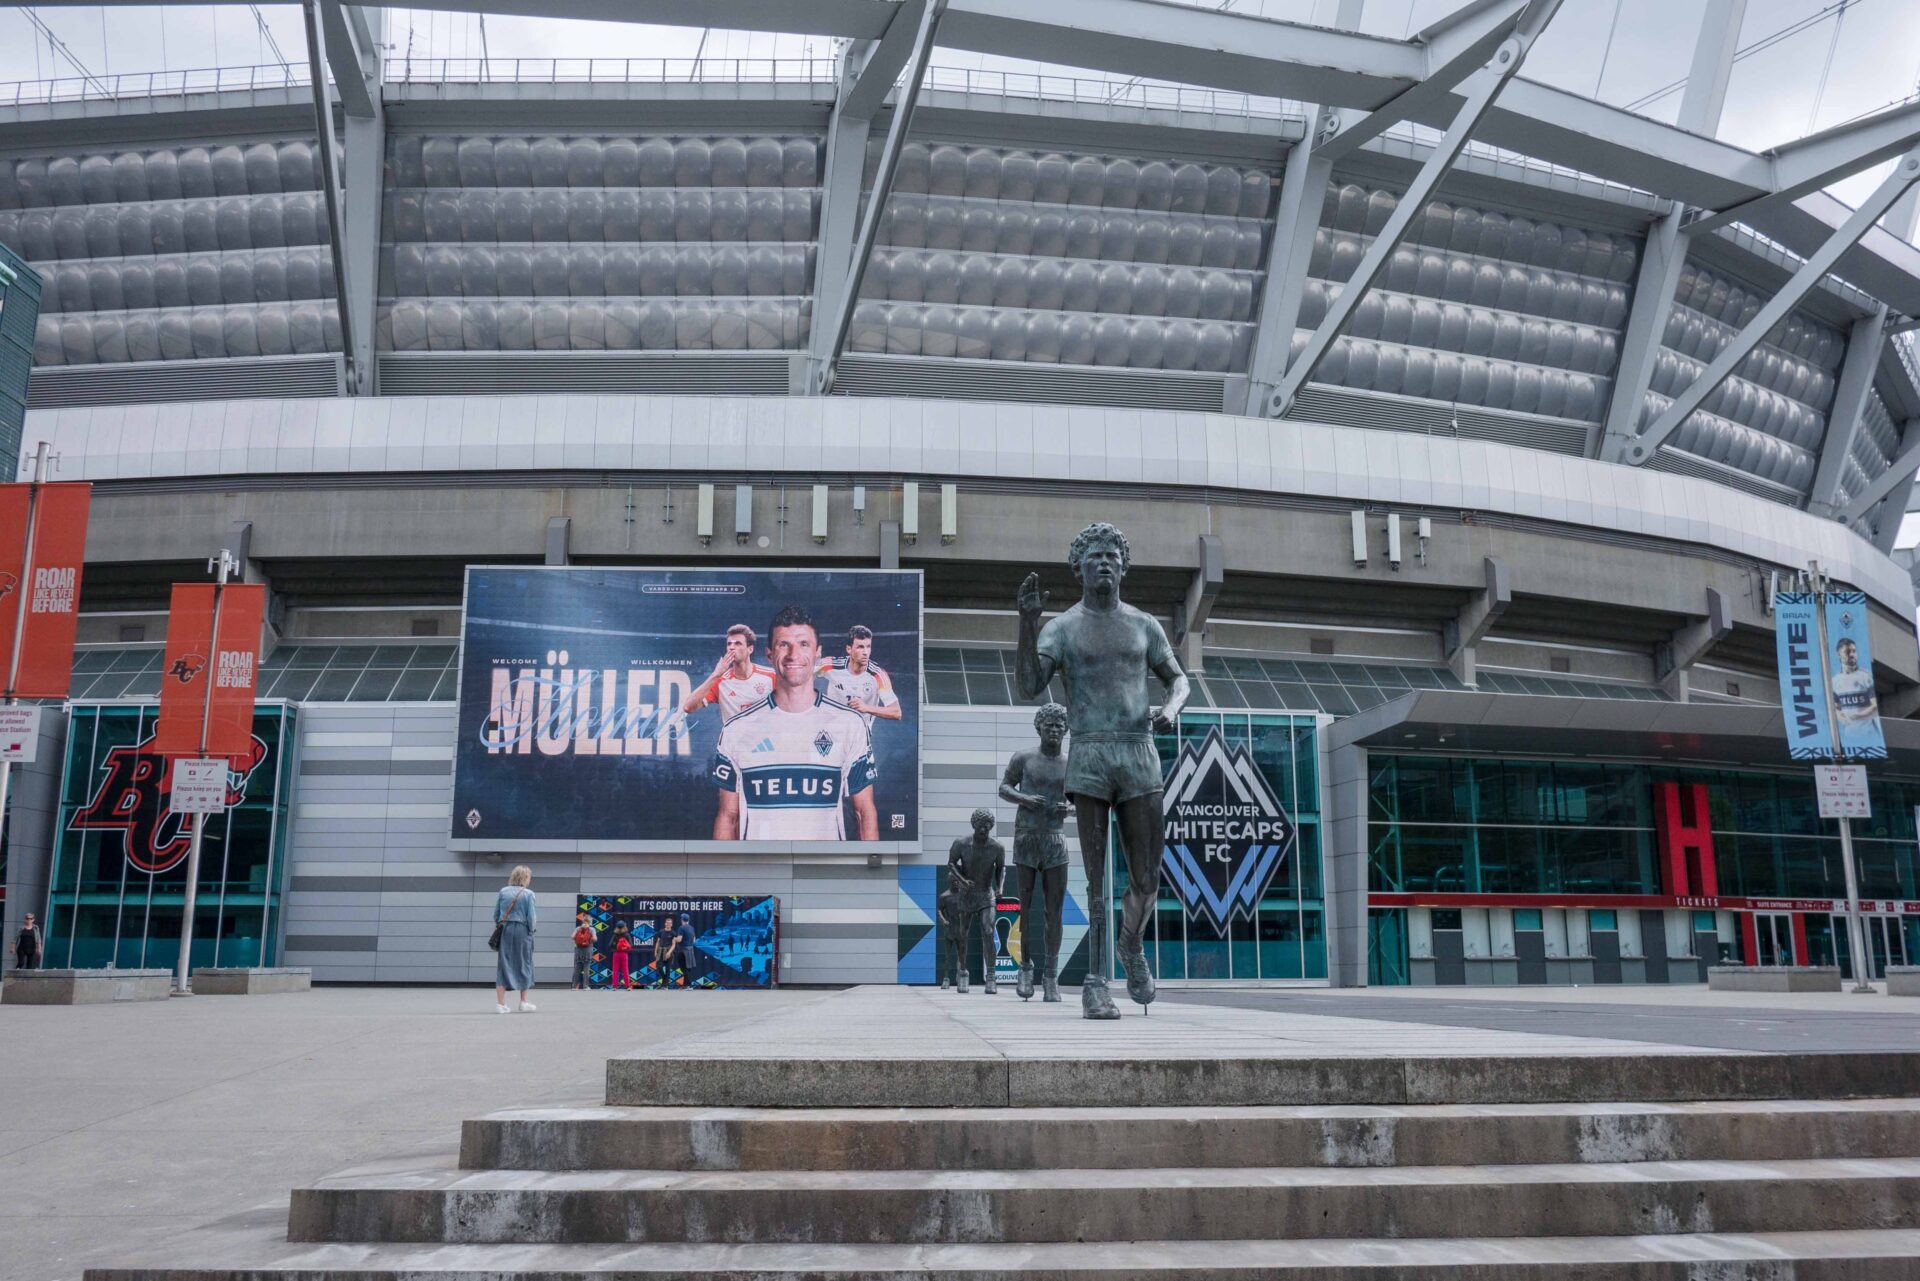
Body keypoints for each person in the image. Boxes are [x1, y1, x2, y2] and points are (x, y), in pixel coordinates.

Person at [1016, 522, 1190, 1020]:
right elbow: (1030, 683)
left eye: (1113, 555)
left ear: (1124, 565)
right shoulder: (1063, 627)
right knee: (1095, 882)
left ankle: (1130, 946)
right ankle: (1095, 983)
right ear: (1079, 569)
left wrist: (1171, 710)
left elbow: (1179, 681)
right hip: (1090, 752)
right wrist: (1027, 623)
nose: (1105, 562)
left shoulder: (1144, 624)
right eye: (1095, 556)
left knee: (1147, 876)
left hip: (1139, 753)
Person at [710, 604, 878, 840]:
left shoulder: (850, 724)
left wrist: (868, 876)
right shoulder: (736, 729)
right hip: (759, 872)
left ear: (818, 652)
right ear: (769, 654)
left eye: (803, 644)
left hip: (825, 873)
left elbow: (865, 813)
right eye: (783, 645)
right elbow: (728, 816)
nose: (793, 655)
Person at [1000, 703, 1073, 1003]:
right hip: (1027, 837)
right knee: (1025, 908)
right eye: (1049, 725)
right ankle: (1026, 969)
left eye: (1059, 726)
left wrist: (1068, 808)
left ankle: (1051, 976)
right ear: (1039, 727)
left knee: (1054, 912)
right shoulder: (1024, 758)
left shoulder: (1072, 763)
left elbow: (1083, 799)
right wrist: (1024, 799)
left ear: (1065, 730)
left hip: (1055, 840)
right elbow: (1004, 788)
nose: (1054, 730)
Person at [946, 808, 1006, 994]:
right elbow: (951, 863)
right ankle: (962, 971)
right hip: (966, 895)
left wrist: (1000, 887)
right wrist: (962, 881)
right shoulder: (961, 843)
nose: (983, 830)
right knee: (962, 934)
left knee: (988, 931)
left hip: (986, 894)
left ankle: (991, 976)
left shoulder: (997, 847)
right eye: (980, 826)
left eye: (987, 827)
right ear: (974, 825)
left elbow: (1001, 868)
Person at [682, 624, 775, 719]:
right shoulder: (720, 681)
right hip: (733, 734)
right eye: (729, 644)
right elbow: (688, 707)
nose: (731, 647)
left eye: (737, 643)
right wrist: (715, 674)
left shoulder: (771, 676)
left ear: (750, 649)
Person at [818, 625, 903, 722]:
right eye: (860, 647)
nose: (866, 652)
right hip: (833, 728)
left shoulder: (878, 675)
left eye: (868, 647)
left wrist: (866, 707)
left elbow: (896, 712)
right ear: (849, 649)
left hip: (860, 732)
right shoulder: (830, 665)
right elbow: (804, 671)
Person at [493, 865, 537, 1013]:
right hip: (522, 929)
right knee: (524, 962)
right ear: (525, 878)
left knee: (503, 963)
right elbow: (531, 917)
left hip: (505, 929)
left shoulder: (503, 891)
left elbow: (496, 914)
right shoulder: (528, 894)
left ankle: (501, 1004)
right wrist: (531, 931)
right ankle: (523, 1002)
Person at [651, 915, 675, 988]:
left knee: (668, 969)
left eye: (670, 923)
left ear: (671, 924)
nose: (668, 924)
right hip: (660, 951)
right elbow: (657, 942)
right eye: (667, 923)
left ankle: (665, 985)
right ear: (665, 923)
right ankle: (664, 981)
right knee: (659, 967)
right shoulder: (661, 931)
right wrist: (655, 951)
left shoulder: (673, 933)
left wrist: (669, 952)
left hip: (668, 952)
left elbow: (674, 944)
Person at [571, 917, 595, 990]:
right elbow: (595, 938)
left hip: (578, 951)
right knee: (586, 969)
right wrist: (589, 940)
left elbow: (572, 936)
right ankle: (585, 986)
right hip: (588, 951)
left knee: (577, 968)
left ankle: (574, 986)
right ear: (590, 922)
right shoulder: (591, 929)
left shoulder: (578, 928)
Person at [609, 921, 632, 991]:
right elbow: (631, 945)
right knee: (625, 970)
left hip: (616, 954)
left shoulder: (615, 935)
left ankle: (614, 987)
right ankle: (627, 986)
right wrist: (625, 949)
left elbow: (610, 945)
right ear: (624, 927)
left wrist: (615, 949)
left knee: (615, 970)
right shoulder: (627, 935)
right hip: (624, 954)